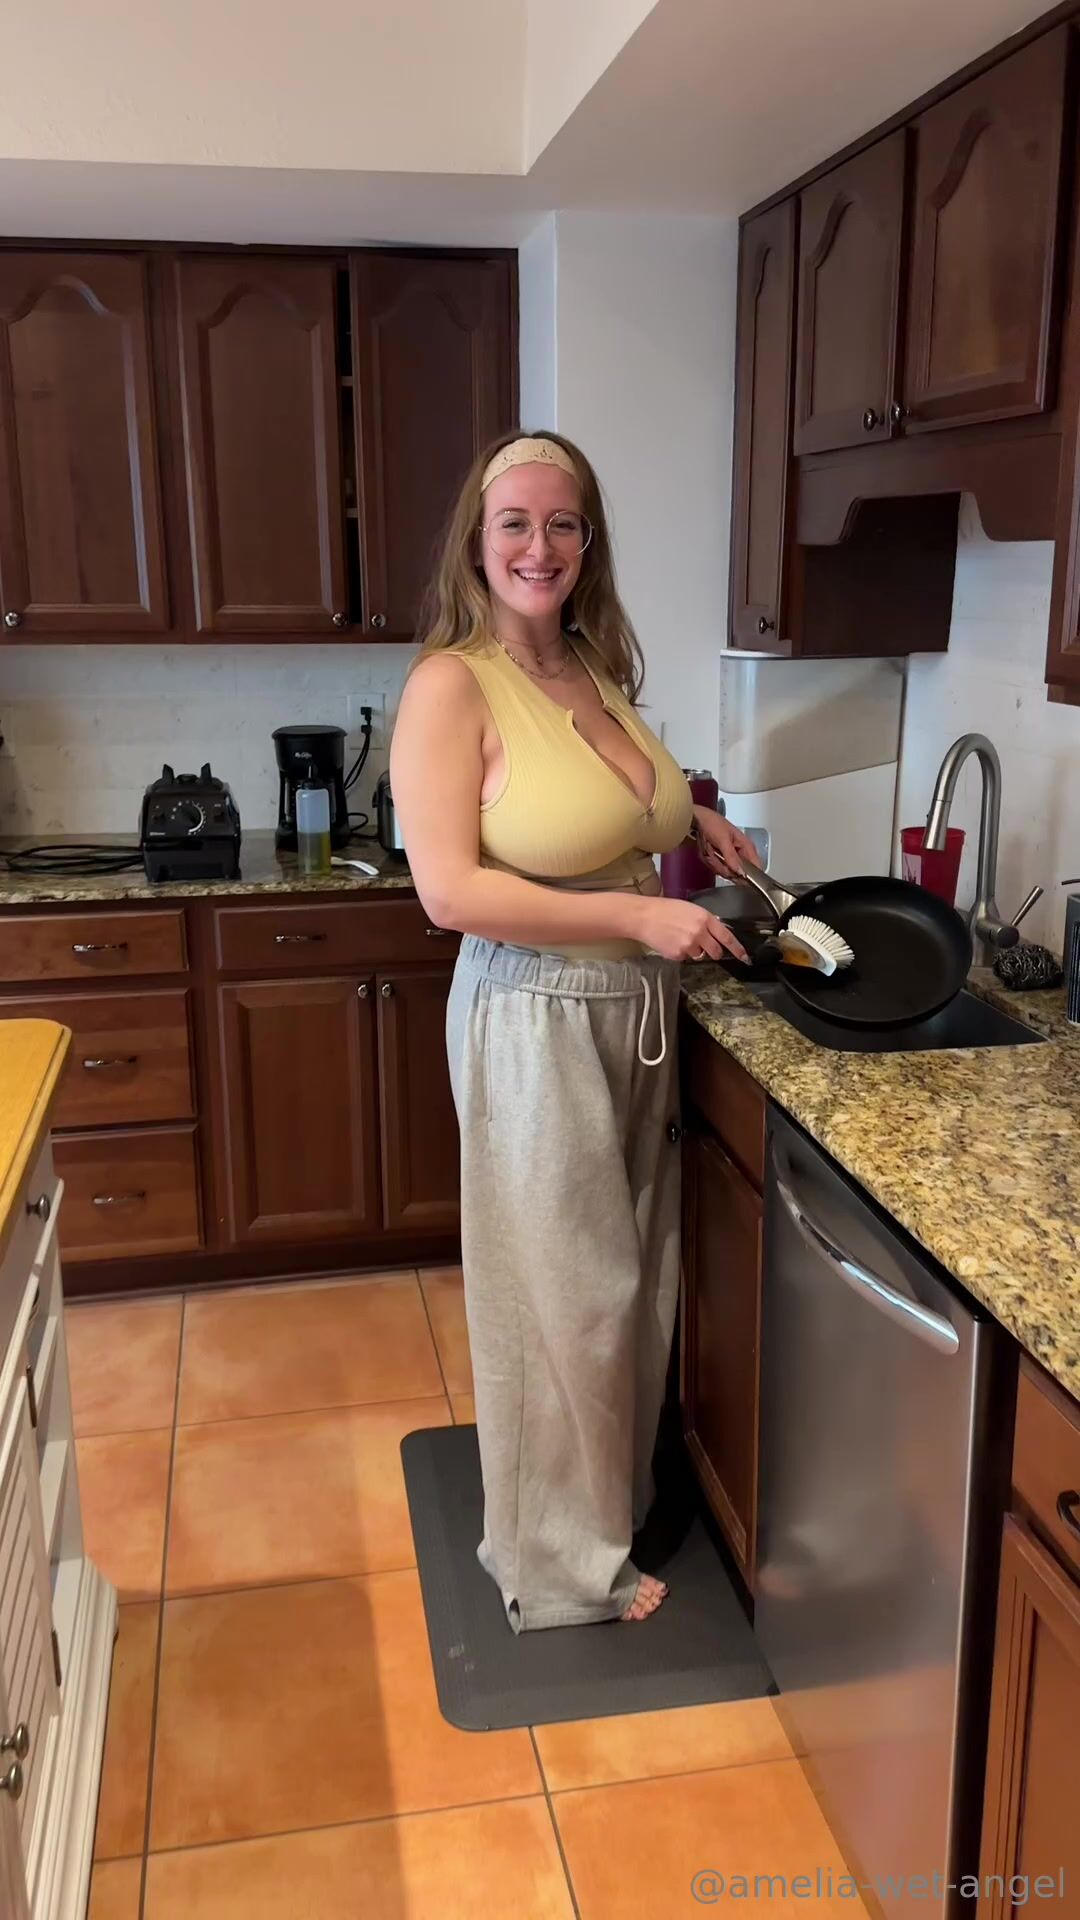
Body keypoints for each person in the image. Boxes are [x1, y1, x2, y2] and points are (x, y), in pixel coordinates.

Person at [390, 431, 754, 1631]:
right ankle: (551, 1567)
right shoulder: (452, 685)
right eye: (515, 522)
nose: (538, 546)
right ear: (477, 540)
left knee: (631, 1281)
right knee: (559, 1295)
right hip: (534, 1015)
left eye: (563, 524)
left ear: (588, 543)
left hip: (635, 1013)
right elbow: (449, 892)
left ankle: (607, 1507)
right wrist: (638, 915)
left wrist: (693, 820)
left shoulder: (590, 665)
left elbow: (615, 806)